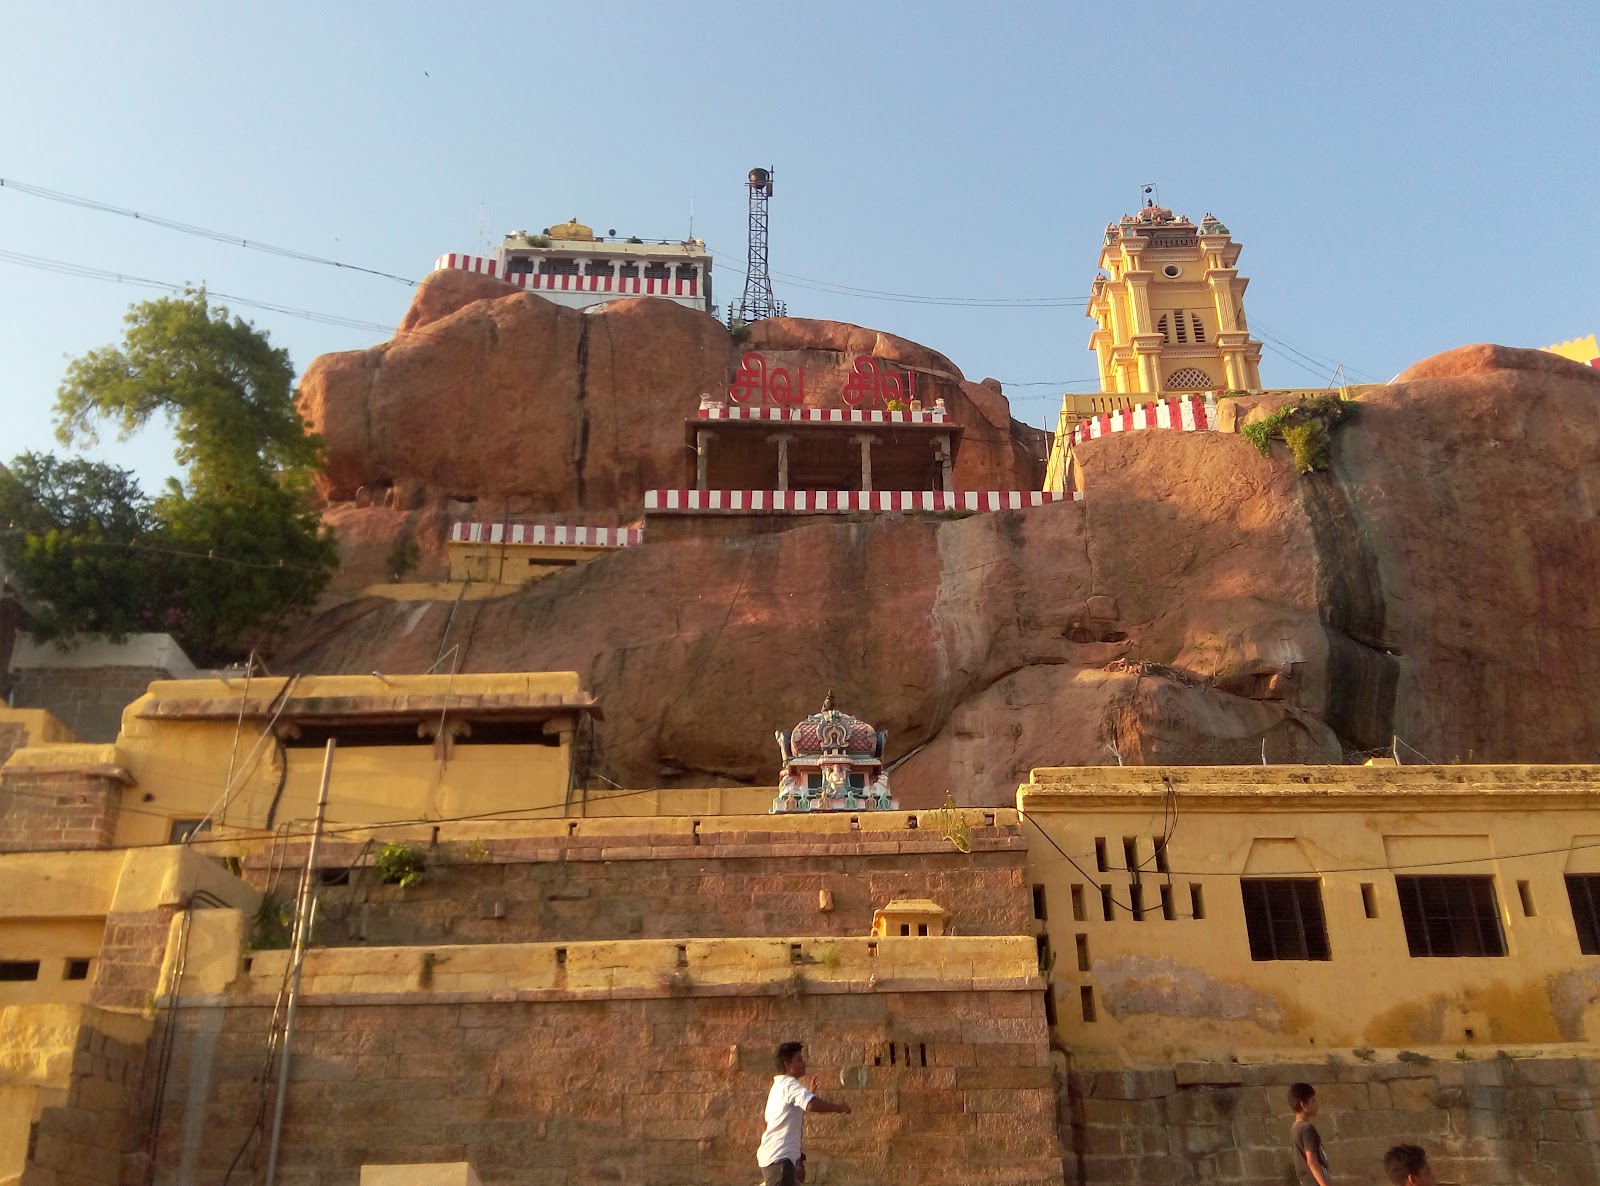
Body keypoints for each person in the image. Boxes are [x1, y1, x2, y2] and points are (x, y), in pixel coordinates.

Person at [757, 1041, 851, 1186]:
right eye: (799, 1059)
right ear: (788, 1065)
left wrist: (809, 1093)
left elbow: (789, 1116)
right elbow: (811, 1105)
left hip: (777, 1160)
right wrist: (839, 1108)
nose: (804, 1063)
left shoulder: (779, 1086)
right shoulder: (789, 1084)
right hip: (780, 1159)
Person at [1288, 1082, 1332, 1186]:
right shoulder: (1307, 1128)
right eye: (1313, 1101)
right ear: (1304, 1105)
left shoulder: (1295, 1128)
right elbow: (1312, 1161)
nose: (1316, 1104)